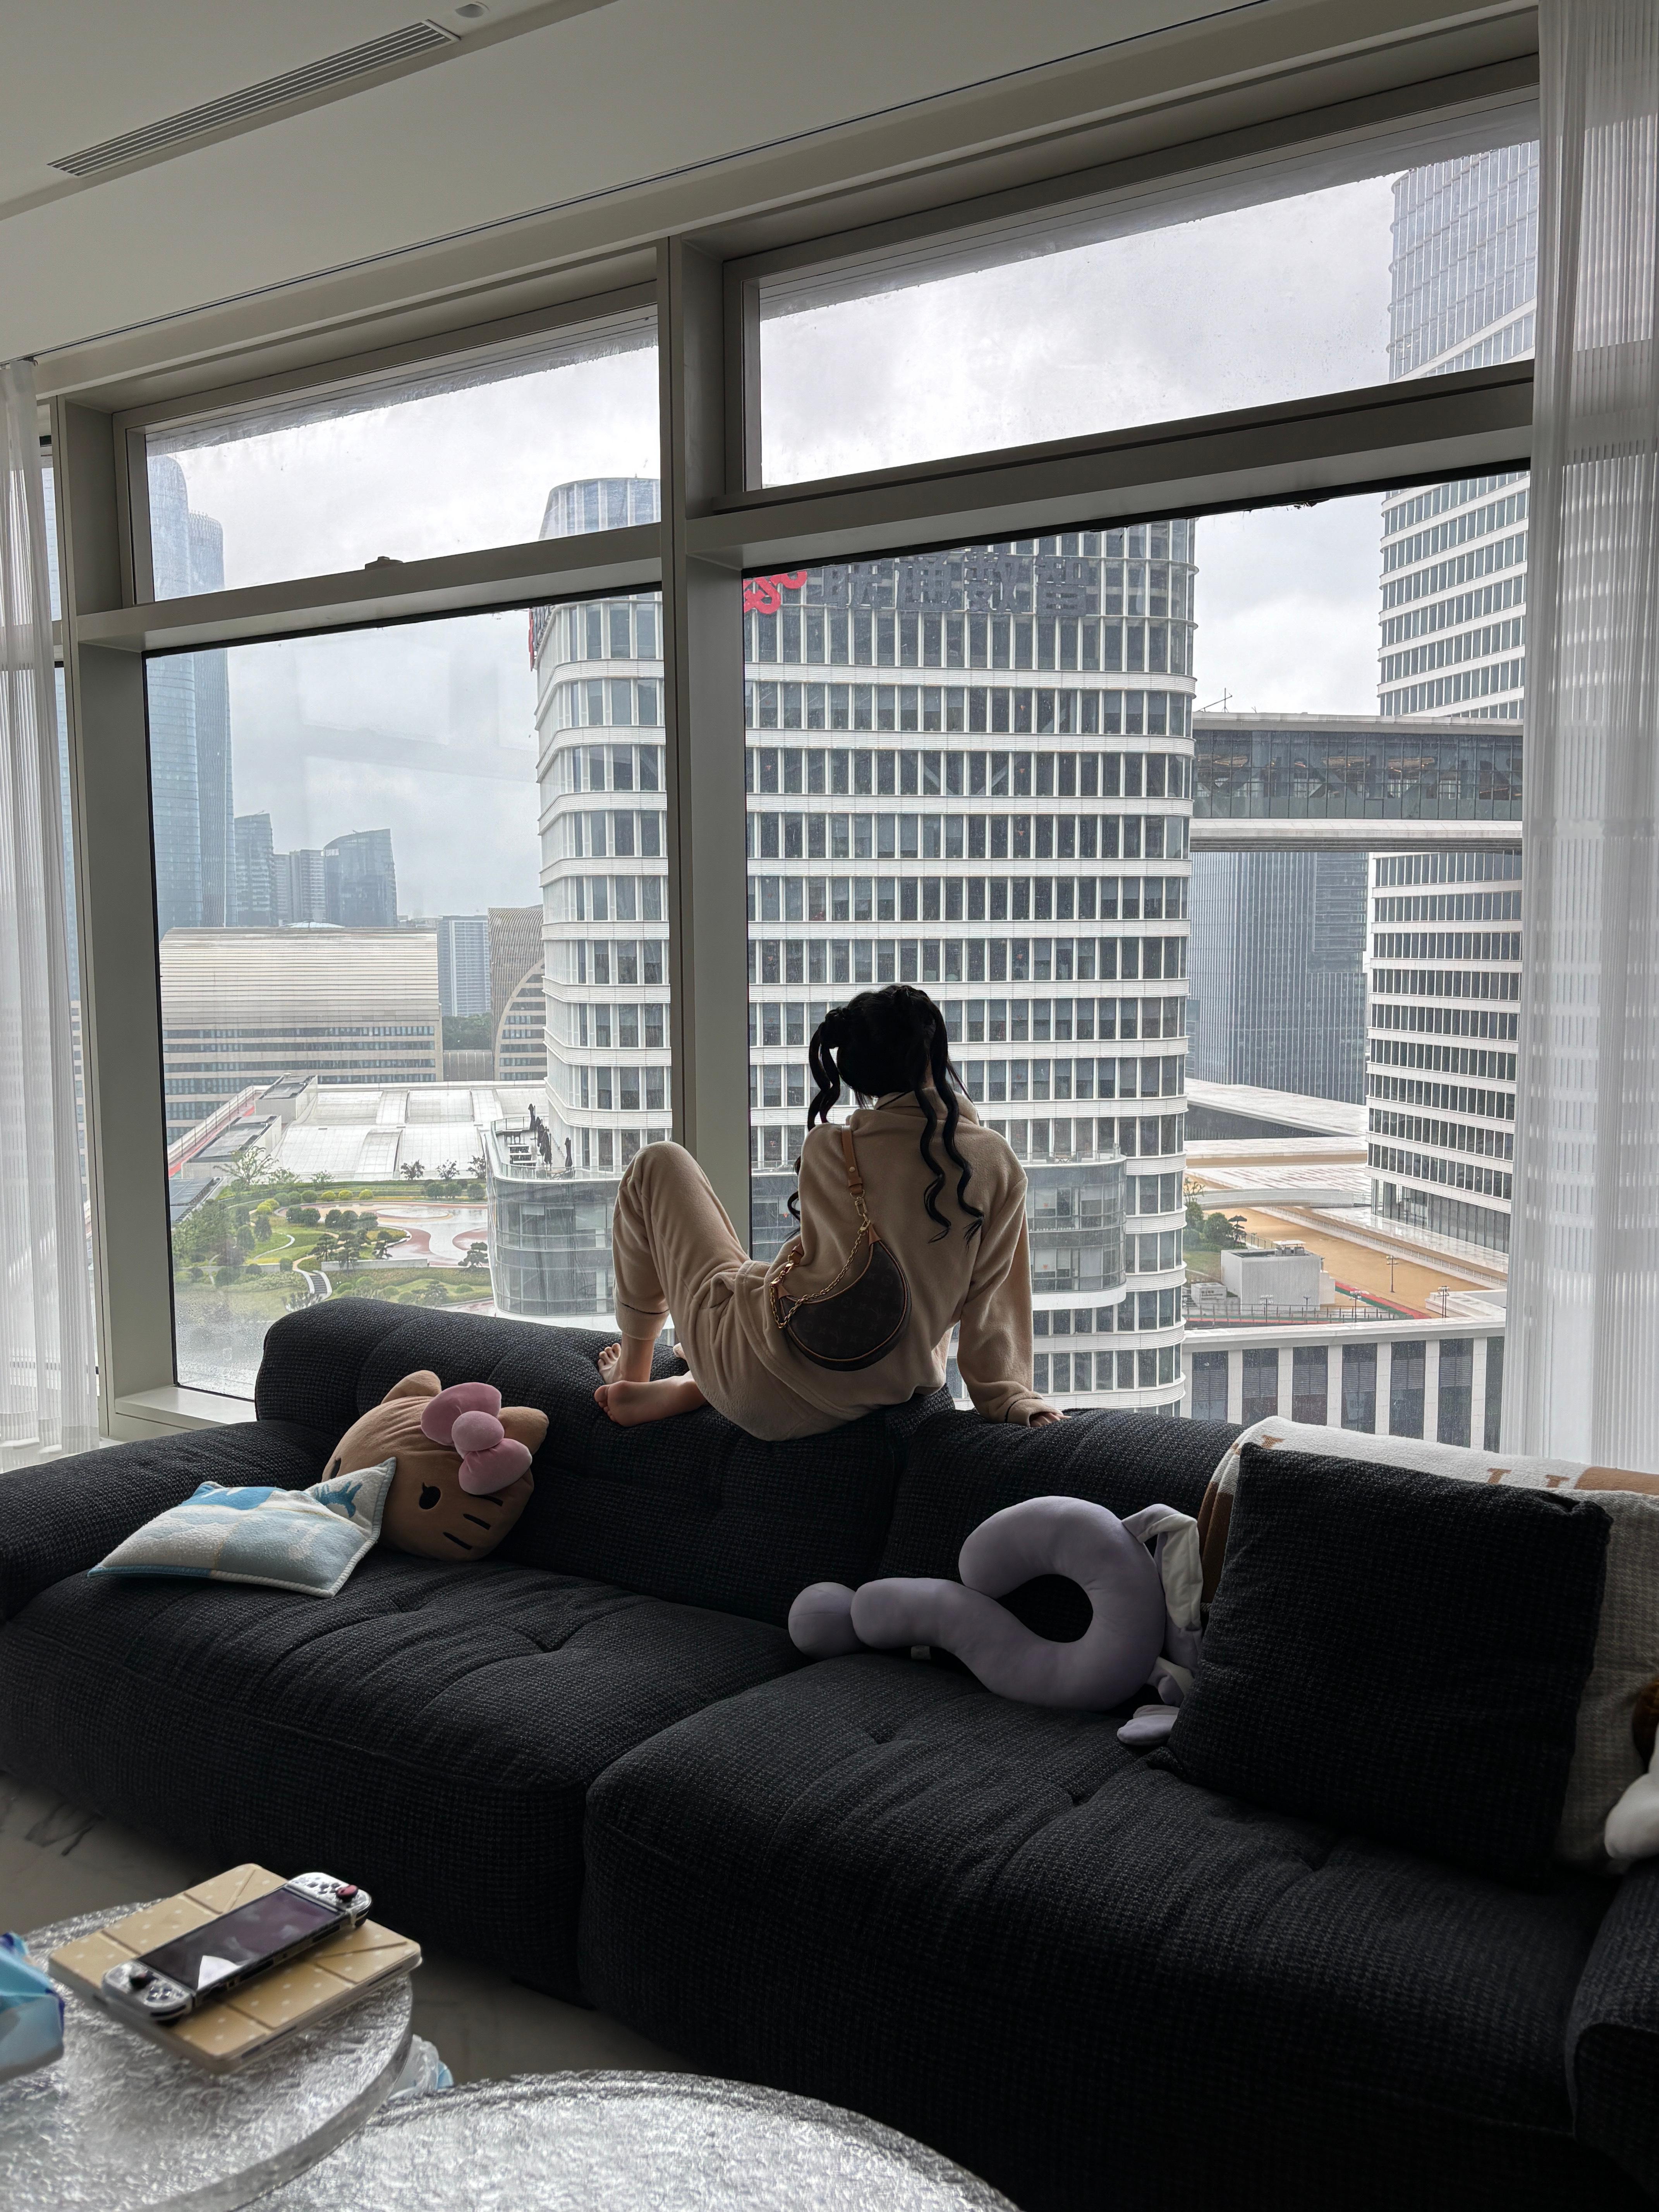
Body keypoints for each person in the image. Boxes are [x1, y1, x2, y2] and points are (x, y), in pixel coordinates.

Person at [595, 984, 1060, 1436]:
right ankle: (696, 1384)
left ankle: (634, 1372)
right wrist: (1012, 1398)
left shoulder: (832, 1148)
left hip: (759, 1377)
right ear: (934, 1058)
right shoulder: (996, 1165)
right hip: (875, 1388)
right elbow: (994, 1303)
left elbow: (820, 1281)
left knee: (659, 1163)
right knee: (927, 1269)